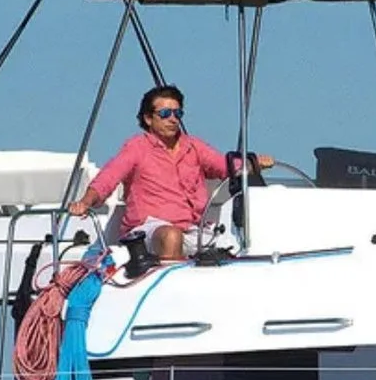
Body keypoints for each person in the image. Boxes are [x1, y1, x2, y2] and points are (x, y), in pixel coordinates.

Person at [68, 86, 273, 273]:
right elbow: (108, 178)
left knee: (249, 239)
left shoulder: (193, 146)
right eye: (165, 114)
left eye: (178, 113)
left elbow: (225, 166)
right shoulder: (137, 148)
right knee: (171, 235)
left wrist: (252, 163)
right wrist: (85, 202)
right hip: (148, 230)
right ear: (148, 119)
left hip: (194, 229)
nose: (173, 119)